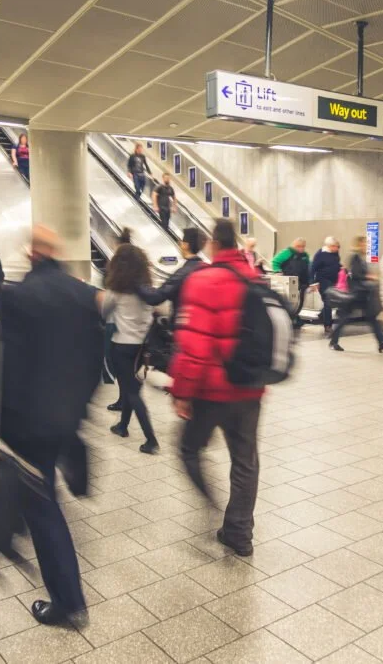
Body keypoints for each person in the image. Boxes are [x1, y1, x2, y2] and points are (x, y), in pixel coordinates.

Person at [0, 224, 101, 628]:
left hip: (31, 422)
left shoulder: (18, 297)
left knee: (44, 509)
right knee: (45, 491)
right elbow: (97, 362)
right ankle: (71, 472)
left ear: (32, 255)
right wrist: (78, 409)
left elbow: (10, 370)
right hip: (67, 415)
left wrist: (1, 425)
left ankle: (68, 603)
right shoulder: (83, 293)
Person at [171, 219, 264, 557]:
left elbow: (193, 344)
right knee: (245, 460)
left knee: (188, 448)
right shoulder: (254, 278)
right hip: (250, 389)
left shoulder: (203, 280)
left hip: (210, 390)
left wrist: (182, 391)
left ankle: (209, 503)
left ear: (212, 244)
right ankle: (239, 532)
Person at [103, 244, 159, 454]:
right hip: (143, 348)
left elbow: (104, 311)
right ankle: (122, 426)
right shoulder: (148, 290)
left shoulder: (116, 291)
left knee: (133, 393)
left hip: (122, 345)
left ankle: (151, 440)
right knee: (131, 387)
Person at [329, 235, 383, 352]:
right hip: (355, 294)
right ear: (358, 245)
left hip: (362, 294)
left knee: (372, 318)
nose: (365, 246)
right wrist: (369, 276)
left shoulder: (361, 258)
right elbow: (355, 275)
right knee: (343, 318)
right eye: (363, 244)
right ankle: (333, 341)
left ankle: (382, 342)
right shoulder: (354, 257)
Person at [137, 226, 206, 320]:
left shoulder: (183, 273)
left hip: (183, 324)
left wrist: (136, 281)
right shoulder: (203, 267)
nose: (180, 244)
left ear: (186, 245)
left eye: (181, 242)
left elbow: (155, 297)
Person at [272, 238, 311, 326]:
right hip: (289, 282)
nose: (301, 248)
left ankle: (295, 317)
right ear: (294, 246)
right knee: (291, 301)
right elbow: (275, 261)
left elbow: (308, 267)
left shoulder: (305, 255)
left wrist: (310, 281)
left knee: (299, 302)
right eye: (299, 246)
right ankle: (290, 318)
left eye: (303, 247)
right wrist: (277, 271)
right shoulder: (287, 252)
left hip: (302, 282)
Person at [310, 236, 341, 335]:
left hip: (334, 281)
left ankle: (322, 315)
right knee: (328, 302)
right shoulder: (320, 255)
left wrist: (341, 267)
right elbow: (312, 268)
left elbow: (335, 264)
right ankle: (328, 326)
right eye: (336, 247)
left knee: (331, 302)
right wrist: (312, 283)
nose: (338, 249)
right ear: (330, 246)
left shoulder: (335, 253)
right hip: (323, 281)